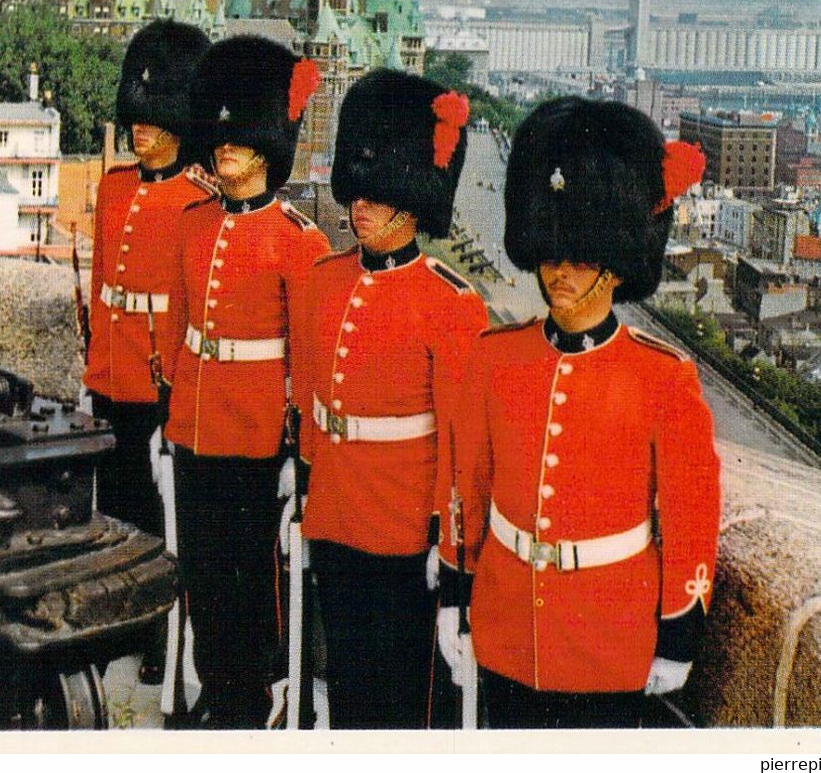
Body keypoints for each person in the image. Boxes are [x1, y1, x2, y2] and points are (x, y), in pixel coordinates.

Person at [437, 96, 719, 729]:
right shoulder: (493, 359)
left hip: (607, 640)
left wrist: (678, 630)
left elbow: (690, 513)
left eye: (582, 257)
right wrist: (456, 595)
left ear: (615, 269)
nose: (559, 271)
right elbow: (468, 490)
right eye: (552, 253)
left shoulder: (662, 377)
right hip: (507, 624)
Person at [294, 69, 489, 728]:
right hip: (334, 513)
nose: (361, 209)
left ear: (414, 202)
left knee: (398, 697)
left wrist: (451, 551)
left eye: (380, 197)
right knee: (346, 681)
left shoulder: (451, 303)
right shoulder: (325, 279)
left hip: (405, 530)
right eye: (360, 194)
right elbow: (311, 404)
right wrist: (302, 491)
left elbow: (462, 450)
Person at [164, 34, 332, 728]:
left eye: (241, 141)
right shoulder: (192, 226)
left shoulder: (300, 242)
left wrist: (300, 456)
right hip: (196, 428)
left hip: (258, 435)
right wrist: (169, 419)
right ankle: (214, 689)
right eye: (221, 139)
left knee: (249, 581)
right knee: (201, 574)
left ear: (268, 148)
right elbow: (180, 334)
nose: (225, 149)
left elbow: (310, 364)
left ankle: (251, 697)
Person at [82, 19, 212, 685]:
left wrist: (177, 397)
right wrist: (92, 371)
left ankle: (163, 636)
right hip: (111, 374)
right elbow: (105, 287)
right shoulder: (112, 189)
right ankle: (116, 627)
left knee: (159, 530)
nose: (141, 130)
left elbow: (193, 311)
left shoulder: (197, 204)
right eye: (137, 117)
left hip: (158, 387)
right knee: (112, 516)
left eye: (154, 121)